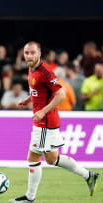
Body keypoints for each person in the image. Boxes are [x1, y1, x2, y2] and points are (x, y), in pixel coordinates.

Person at [9, 42, 99, 203]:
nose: (29, 56)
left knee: (33, 157)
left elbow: (61, 94)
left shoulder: (45, 73)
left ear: (39, 53)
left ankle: (30, 198)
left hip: (45, 123)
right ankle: (88, 175)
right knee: (52, 159)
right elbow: (42, 91)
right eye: (26, 53)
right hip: (45, 122)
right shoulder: (32, 69)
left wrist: (43, 111)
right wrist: (29, 99)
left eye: (32, 53)